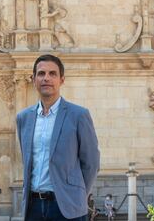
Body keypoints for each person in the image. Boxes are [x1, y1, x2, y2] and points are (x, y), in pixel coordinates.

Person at [16, 54, 100, 220]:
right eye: (41, 74)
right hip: (33, 208)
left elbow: (91, 163)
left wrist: (77, 196)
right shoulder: (23, 118)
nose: (46, 78)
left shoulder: (78, 115)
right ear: (34, 80)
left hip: (67, 208)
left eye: (52, 74)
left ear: (62, 80)